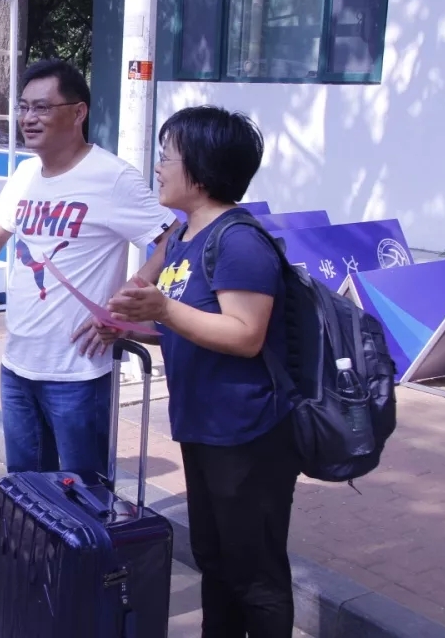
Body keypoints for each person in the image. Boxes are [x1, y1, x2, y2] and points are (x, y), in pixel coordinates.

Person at [0, 58, 179, 602]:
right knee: (24, 483)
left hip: (78, 373)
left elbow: (171, 239)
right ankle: (27, 583)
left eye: (42, 107)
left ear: (78, 112)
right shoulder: (25, 175)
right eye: (24, 107)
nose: (28, 118)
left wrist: (121, 306)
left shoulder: (112, 177)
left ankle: (81, 597)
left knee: (83, 491)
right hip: (19, 364)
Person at [104, 106, 299, 637]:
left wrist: (163, 310)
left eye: (167, 156)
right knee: (215, 559)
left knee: (255, 574)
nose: (158, 167)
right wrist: (132, 326)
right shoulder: (185, 236)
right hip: (204, 426)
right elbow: (190, 324)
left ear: (203, 169)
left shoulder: (238, 241)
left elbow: (245, 333)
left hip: (247, 434)